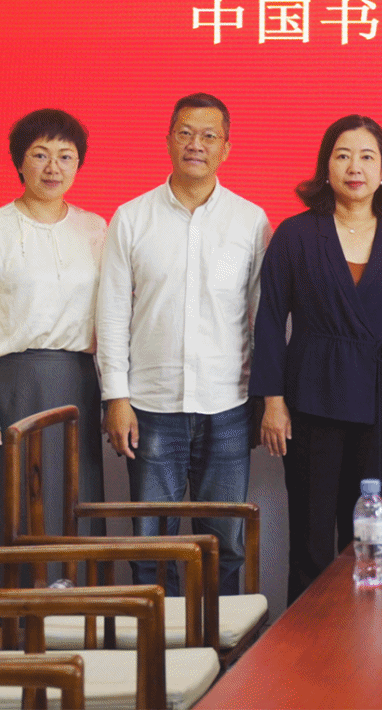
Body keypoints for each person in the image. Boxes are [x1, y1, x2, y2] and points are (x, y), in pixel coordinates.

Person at [97, 92, 270, 594]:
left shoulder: (250, 221)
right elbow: (111, 313)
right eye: (186, 133)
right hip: (151, 407)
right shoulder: (132, 218)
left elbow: (260, 317)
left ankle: (222, 641)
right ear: (169, 140)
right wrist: (116, 398)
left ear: (226, 148)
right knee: (152, 547)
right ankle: (161, 642)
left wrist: (264, 398)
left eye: (209, 136)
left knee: (226, 544)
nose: (197, 144)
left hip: (228, 406)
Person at [253, 115, 382, 603]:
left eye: (367, 157)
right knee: (311, 537)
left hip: (378, 406)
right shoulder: (295, 235)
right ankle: (304, 638)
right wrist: (272, 401)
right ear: (326, 166)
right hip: (309, 400)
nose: (355, 167)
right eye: (343, 155)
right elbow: (270, 319)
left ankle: (362, 633)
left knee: (365, 536)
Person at [0, 108, 107, 578]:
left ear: (79, 163)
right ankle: (6, 617)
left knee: (73, 502)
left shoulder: (96, 230)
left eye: (65, 156)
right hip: (12, 390)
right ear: (19, 161)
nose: (52, 167)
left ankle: (75, 614)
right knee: (12, 505)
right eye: (40, 155)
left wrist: (116, 395)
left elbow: (112, 319)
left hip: (78, 386)